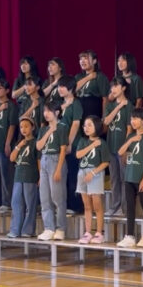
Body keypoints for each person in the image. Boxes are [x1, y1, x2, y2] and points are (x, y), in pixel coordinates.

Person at [116, 108, 143, 248]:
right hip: (129, 177)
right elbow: (121, 152)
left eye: (136, 118)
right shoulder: (130, 136)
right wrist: (131, 139)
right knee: (130, 207)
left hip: (140, 178)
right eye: (132, 119)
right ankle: (130, 235)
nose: (133, 121)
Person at [36, 101, 68, 241]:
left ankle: (60, 228)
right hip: (44, 159)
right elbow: (38, 146)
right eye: (45, 111)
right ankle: (48, 227)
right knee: (45, 197)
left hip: (56, 160)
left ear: (57, 112)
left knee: (58, 197)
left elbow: (63, 150)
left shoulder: (62, 127)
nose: (46, 114)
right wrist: (49, 130)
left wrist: (59, 169)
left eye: (49, 111)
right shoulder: (43, 129)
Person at [76, 116, 110, 244]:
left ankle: (99, 232)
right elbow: (78, 154)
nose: (86, 128)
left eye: (90, 125)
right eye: (85, 125)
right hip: (82, 172)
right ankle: (87, 232)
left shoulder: (102, 143)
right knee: (87, 205)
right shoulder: (82, 141)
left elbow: (105, 162)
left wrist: (93, 172)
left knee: (97, 204)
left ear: (97, 126)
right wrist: (92, 146)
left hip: (95, 173)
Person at [103, 76, 132, 215]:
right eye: (112, 86)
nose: (113, 89)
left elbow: (129, 129)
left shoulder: (129, 106)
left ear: (124, 88)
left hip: (123, 147)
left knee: (124, 178)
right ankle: (115, 206)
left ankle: (125, 207)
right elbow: (107, 122)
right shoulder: (110, 106)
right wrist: (119, 106)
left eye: (116, 86)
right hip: (111, 146)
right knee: (114, 177)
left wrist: (126, 148)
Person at [7, 117, 39, 238]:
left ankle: (28, 230)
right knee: (16, 202)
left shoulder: (35, 142)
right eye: (21, 127)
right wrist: (18, 146)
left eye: (26, 126)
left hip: (30, 176)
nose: (23, 129)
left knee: (30, 204)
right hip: (18, 176)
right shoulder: (19, 143)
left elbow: (38, 161)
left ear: (32, 127)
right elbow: (12, 158)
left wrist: (40, 176)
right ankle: (15, 229)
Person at [0, 79, 18, 210]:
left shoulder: (11, 106)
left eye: (0, 88)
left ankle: (7, 202)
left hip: (4, 143)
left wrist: (8, 143)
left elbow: (12, 125)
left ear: (7, 90)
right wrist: (0, 108)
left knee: (6, 174)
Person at [57, 75, 84, 214]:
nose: (60, 89)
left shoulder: (76, 104)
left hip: (73, 145)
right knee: (63, 176)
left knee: (73, 175)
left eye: (63, 86)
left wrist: (69, 143)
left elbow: (75, 125)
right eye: (59, 86)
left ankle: (75, 206)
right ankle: (63, 204)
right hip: (59, 144)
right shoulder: (60, 105)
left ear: (71, 88)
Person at [75, 50, 110, 118]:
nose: (82, 61)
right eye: (81, 59)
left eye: (86, 58)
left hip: (93, 111)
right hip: (79, 111)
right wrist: (88, 77)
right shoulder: (78, 77)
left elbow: (105, 99)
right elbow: (73, 89)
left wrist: (104, 117)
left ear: (94, 61)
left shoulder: (100, 76)